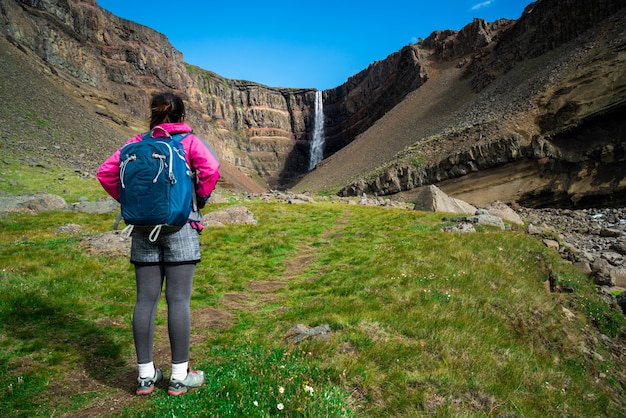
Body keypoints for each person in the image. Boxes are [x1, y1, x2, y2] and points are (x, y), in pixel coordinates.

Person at [97, 92, 220, 396]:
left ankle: (144, 376)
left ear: (153, 114)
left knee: (145, 301)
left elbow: (106, 172)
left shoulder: (135, 144)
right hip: (181, 226)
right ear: (181, 115)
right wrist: (197, 199)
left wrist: (133, 204)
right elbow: (211, 170)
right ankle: (179, 377)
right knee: (178, 301)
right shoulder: (189, 142)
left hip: (142, 229)